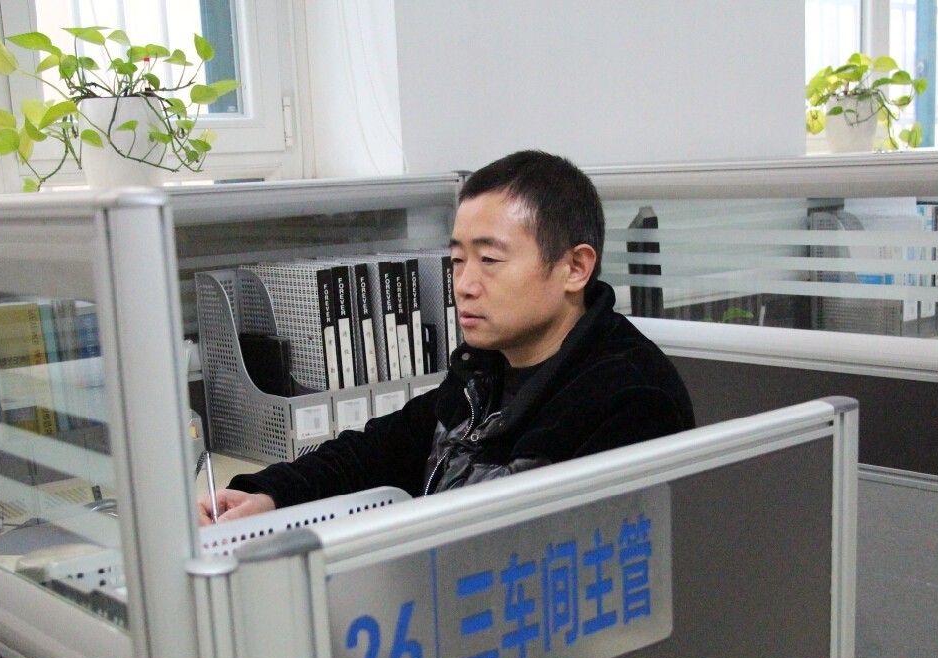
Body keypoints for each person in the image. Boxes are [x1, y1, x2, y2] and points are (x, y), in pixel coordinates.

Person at [198, 149, 694, 525]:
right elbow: (377, 451)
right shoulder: (485, 370)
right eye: (457, 260)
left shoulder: (631, 400)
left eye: (490, 259)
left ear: (575, 267)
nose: (464, 284)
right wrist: (266, 494)